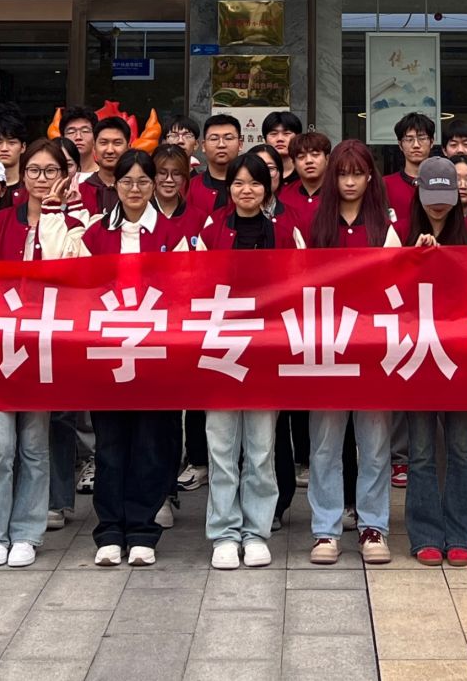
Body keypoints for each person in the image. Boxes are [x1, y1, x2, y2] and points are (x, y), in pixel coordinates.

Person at [79, 149, 191, 566]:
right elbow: (80, 290)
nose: (135, 189)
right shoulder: (94, 234)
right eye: (127, 181)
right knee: (110, 446)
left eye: (144, 181)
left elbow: (184, 289)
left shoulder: (172, 234)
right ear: (115, 184)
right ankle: (110, 529)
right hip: (107, 352)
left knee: (151, 444)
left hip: (155, 353)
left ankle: (143, 529)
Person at [0, 139, 87, 567]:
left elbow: (71, 268)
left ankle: (27, 532)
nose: (42, 180)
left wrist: (56, 214)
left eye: (51, 171)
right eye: (34, 171)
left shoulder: (76, 222)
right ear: (21, 176)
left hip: (44, 346)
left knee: (34, 445)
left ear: (66, 174)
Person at [295, 140, 399, 567]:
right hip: (326, 349)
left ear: (370, 177)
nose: (350, 182)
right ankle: (325, 528)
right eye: (343, 174)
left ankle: (373, 526)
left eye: (358, 173)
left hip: (373, 351)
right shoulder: (312, 226)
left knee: (374, 445)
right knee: (324, 445)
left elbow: (397, 289)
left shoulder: (385, 228)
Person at [193, 152, 290, 570]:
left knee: (262, 449)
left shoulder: (284, 232)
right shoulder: (211, 230)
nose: (246, 190)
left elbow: (300, 286)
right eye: (238, 183)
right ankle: (224, 533)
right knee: (221, 447)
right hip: (221, 351)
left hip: (266, 353)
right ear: (228, 188)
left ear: (267, 188)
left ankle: (256, 532)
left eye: (254, 183)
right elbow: (193, 286)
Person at [402, 157, 467, 566]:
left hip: (461, 358)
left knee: (462, 449)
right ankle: (426, 533)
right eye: (430, 196)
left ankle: (462, 532)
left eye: (445, 197)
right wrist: (411, 258)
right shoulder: (400, 234)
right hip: (417, 357)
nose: (437, 205)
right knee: (420, 451)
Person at [381, 112, 436, 228]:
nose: (416, 145)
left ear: (432, 142)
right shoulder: (385, 185)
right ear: (400, 145)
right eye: (409, 139)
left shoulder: (442, 183)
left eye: (422, 138)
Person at [191, 114, 243, 215]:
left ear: (240, 144)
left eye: (228, 138)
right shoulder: (189, 188)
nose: (221, 145)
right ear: (203, 146)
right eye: (214, 139)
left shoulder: (253, 188)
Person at [280, 131, 331, 228]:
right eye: (301, 157)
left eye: (315, 154)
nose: (309, 161)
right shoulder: (283, 195)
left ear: (327, 159)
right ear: (294, 163)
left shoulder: (340, 193)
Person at [262, 111, 303, 187]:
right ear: (265, 140)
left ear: (298, 138)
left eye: (286, 133)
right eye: (273, 134)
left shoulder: (305, 173)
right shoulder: (258, 172)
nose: (280, 139)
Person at [59, 106, 98, 181]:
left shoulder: (105, 176)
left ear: (96, 136)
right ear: (62, 137)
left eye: (85, 131)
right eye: (71, 132)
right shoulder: (55, 176)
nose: (78, 137)